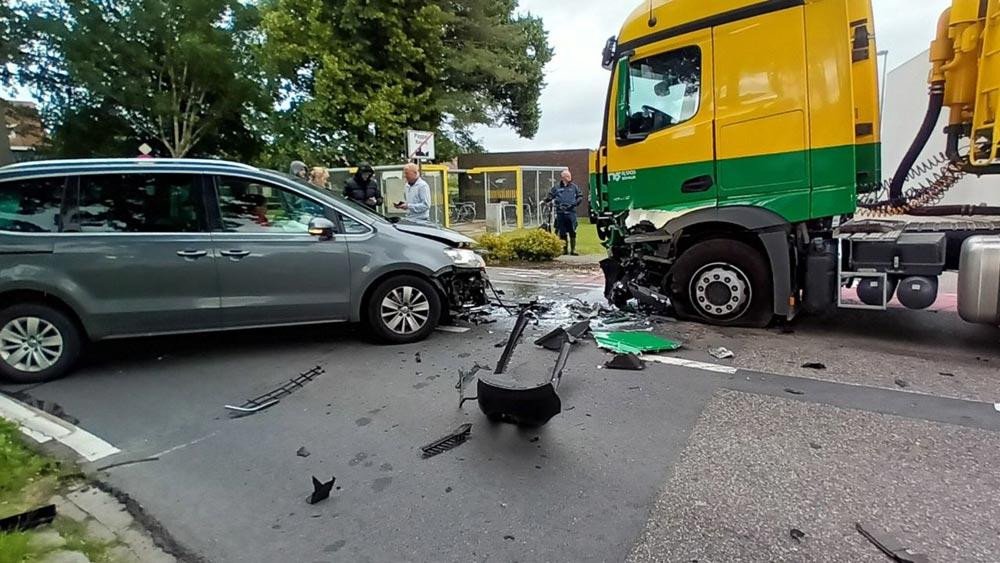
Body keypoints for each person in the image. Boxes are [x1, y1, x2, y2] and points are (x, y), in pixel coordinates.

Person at [546, 169, 584, 256]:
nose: (569, 177)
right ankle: (564, 249)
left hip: (571, 212)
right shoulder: (556, 187)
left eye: (570, 176)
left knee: (572, 231)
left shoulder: (574, 187)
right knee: (562, 231)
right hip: (560, 212)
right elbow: (550, 195)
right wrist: (547, 200)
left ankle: (573, 250)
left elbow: (580, 196)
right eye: (567, 176)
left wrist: (575, 203)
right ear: (563, 177)